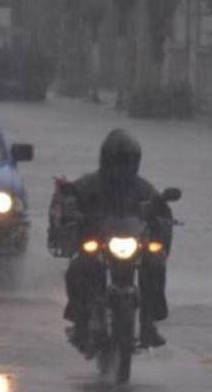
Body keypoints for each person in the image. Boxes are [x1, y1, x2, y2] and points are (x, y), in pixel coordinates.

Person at [63, 128, 172, 350]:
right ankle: (81, 321)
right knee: (78, 267)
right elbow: (69, 201)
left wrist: (161, 219)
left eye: (127, 161)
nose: (122, 167)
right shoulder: (88, 185)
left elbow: (162, 213)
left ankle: (149, 322)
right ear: (106, 159)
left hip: (133, 244)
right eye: (118, 161)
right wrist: (71, 209)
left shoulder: (143, 188)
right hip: (100, 243)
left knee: (155, 264)